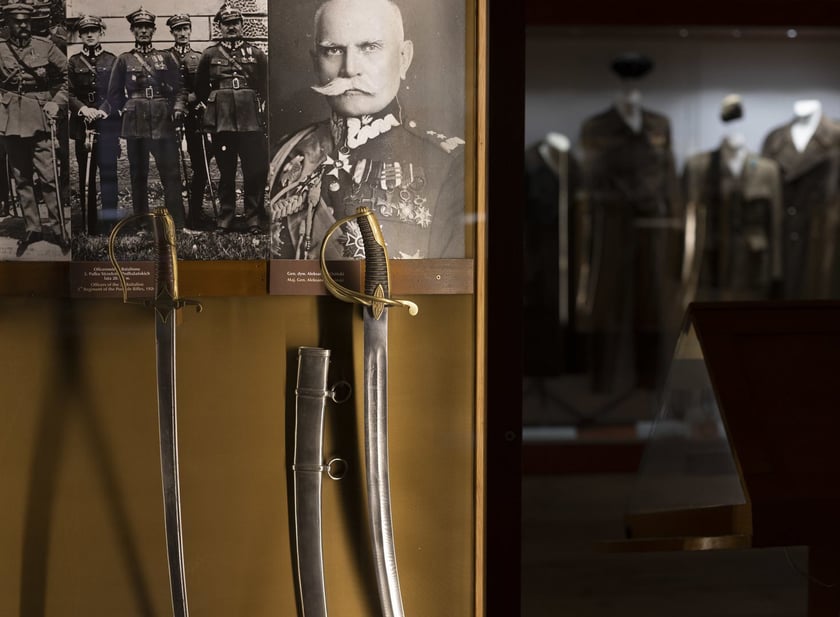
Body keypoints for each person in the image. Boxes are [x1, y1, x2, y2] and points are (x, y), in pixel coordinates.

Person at [268, 0, 465, 260]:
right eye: (333, 50)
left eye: (370, 47)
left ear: (403, 58)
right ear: (316, 63)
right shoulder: (286, 153)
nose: (350, 68)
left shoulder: (451, 164)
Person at [102, 7, 188, 229]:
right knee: (138, 174)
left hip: (163, 120)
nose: (143, 31)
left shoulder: (166, 57)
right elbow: (113, 95)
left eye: (147, 27)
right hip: (136, 123)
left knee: (171, 172)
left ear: (154, 30)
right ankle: (141, 222)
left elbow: (180, 88)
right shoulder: (124, 59)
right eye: (139, 27)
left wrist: (178, 107)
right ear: (132, 30)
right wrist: (128, 108)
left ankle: (176, 222)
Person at [0, 3, 68, 257]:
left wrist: (56, 102)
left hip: (40, 115)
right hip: (11, 118)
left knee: (48, 176)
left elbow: (69, 75)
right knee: (21, 177)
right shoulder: (0, 48)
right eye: (17, 21)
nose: (22, 25)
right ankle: (32, 229)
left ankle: (59, 229)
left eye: (25, 21)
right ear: (8, 24)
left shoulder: (44, 46)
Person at [194, 4, 268, 234]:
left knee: (252, 170)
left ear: (242, 25)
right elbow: (200, 87)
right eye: (227, 24)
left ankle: (253, 218)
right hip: (222, 121)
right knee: (226, 171)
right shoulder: (210, 54)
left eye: (235, 23)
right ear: (220, 27)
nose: (232, 27)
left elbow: (265, 85)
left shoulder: (256, 53)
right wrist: (214, 109)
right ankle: (225, 218)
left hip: (250, 121)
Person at [67, 14, 120, 235]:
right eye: (85, 31)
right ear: (80, 35)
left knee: (109, 174)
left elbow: (117, 92)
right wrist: (83, 109)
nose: (90, 35)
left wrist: (103, 109)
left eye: (94, 31)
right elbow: (68, 93)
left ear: (101, 33)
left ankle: (111, 223)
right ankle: (89, 224)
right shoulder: (73, 62)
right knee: (85, 175)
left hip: (106, 123)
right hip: (84, 125)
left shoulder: (112, 60)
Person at [166, 13, 213, 230]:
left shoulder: (199, 57)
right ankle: (175, 214)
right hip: (171, 117)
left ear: (191, 30)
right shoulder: (165, 57)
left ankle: (196, 211)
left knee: (200, 164)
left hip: (194, 117)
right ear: (172, 32)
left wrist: (194, 101)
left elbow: (205, 87)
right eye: (178, 29)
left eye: (186, 28)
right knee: (172, 166)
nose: (182, 33)